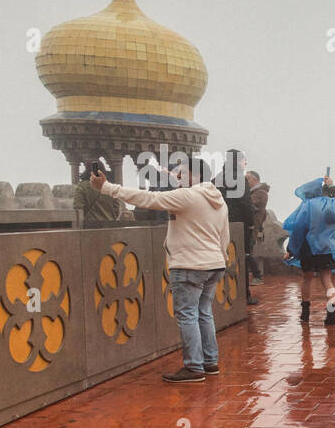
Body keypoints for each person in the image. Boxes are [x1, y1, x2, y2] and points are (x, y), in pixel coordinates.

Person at [88, 157, 230, 383]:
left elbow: (148, 198)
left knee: (188, 315)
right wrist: (222, 258)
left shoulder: (188, 196)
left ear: (197, 175)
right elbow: (225, 236)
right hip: (214, 264)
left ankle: (194, 367)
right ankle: (210, 362)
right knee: (204, 313)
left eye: (182, 173)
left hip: (189, 265)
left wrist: (106, 187)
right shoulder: (219, 201)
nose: (178, 177)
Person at [283, 176, 335, 326]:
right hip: (326, 248)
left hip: (309, 248)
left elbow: (298, 229)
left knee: (307, 279)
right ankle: (331, 313)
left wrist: (291, 250)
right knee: (327, 281)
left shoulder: (307, 205)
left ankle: (305, 312)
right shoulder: (330, 204)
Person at [217, 149, 258, 306]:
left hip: (222, 224)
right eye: (243, 161)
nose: (245, 163)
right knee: (243, 258)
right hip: (239, 225)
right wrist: (251, 223)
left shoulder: (218, 178)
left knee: (224, 259)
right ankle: (244, 295)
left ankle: (226, 295)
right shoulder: (240, 179)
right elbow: (246, 204)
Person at [246, 171, 269, 283]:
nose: (246, 181)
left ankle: (257, 276)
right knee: (247, 251)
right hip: (250, 225)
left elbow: (248, 203)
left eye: (248, 179)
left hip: (252, 226)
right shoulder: (254, 192)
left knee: (248, 252)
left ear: (255, 179)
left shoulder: (260, 192)